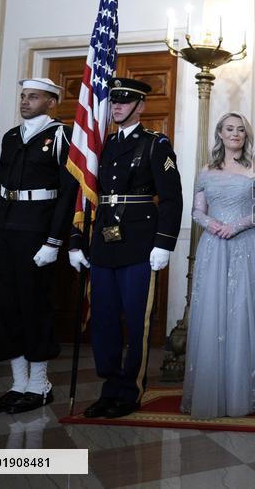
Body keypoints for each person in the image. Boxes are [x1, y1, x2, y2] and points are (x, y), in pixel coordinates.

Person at [68, 77, 182, 419]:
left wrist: (164, 244)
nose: (116, 106)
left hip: (139, 244)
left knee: (136, 320)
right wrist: (76, 240)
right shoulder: (101, 146)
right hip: (103, 243)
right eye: (114, 101)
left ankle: (131, 389)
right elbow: (87, 195)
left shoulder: (155, 144)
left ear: (140, 107)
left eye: (125, 101)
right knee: (103, 320)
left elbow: (172, 199)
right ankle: (109, 387)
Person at [180, 112, 255, 419]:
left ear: (246, 135)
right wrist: (213, 224)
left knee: (246, 310)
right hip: (215, 248)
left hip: (248, 245)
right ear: (219, 133)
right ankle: (216, 389)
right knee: (215, 313)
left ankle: (249, 389)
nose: (235, 134)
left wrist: (238, 226)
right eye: (229, 129)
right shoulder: (206, 170)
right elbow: (196, 210)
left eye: (240, 130)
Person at [0, 78, 78, 415]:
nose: (25, 102)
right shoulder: (11, 136)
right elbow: (2, 187)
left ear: (51, 102)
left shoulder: (61, 136)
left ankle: (39, 384)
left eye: (34, 97)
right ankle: (17, 383)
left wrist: (54, 240)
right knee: (6, 305)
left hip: (37, 230)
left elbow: (68, 192)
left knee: (33, 304)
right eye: (23, 96)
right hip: (7, 227)